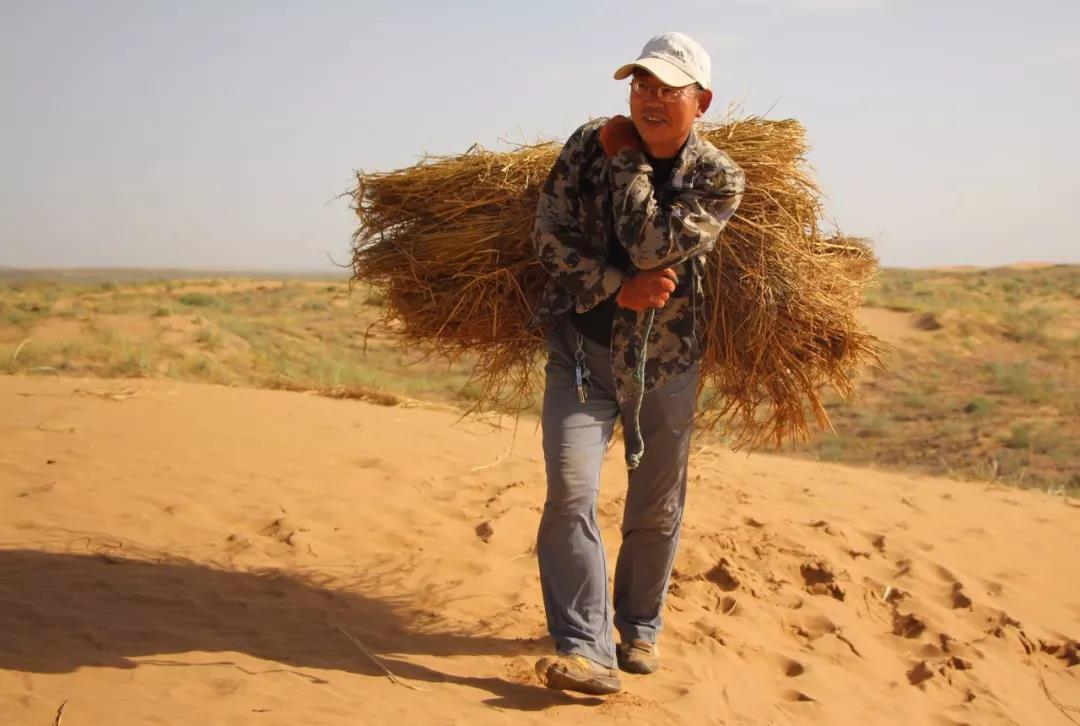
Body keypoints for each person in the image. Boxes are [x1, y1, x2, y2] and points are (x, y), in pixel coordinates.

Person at [530, 32, 745, 695]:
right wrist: (609, 287)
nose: (650, 101)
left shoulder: (717, 177)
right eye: (640, 86)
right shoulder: (587, 143)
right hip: (582, 359)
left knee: (654, 510)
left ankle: (639, 624)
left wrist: (627, 162)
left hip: (665, 366)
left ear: (700, 101)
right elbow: (546, 236)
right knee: (570, 494)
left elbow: (655, 246)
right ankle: (584, 650)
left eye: (667, 90)